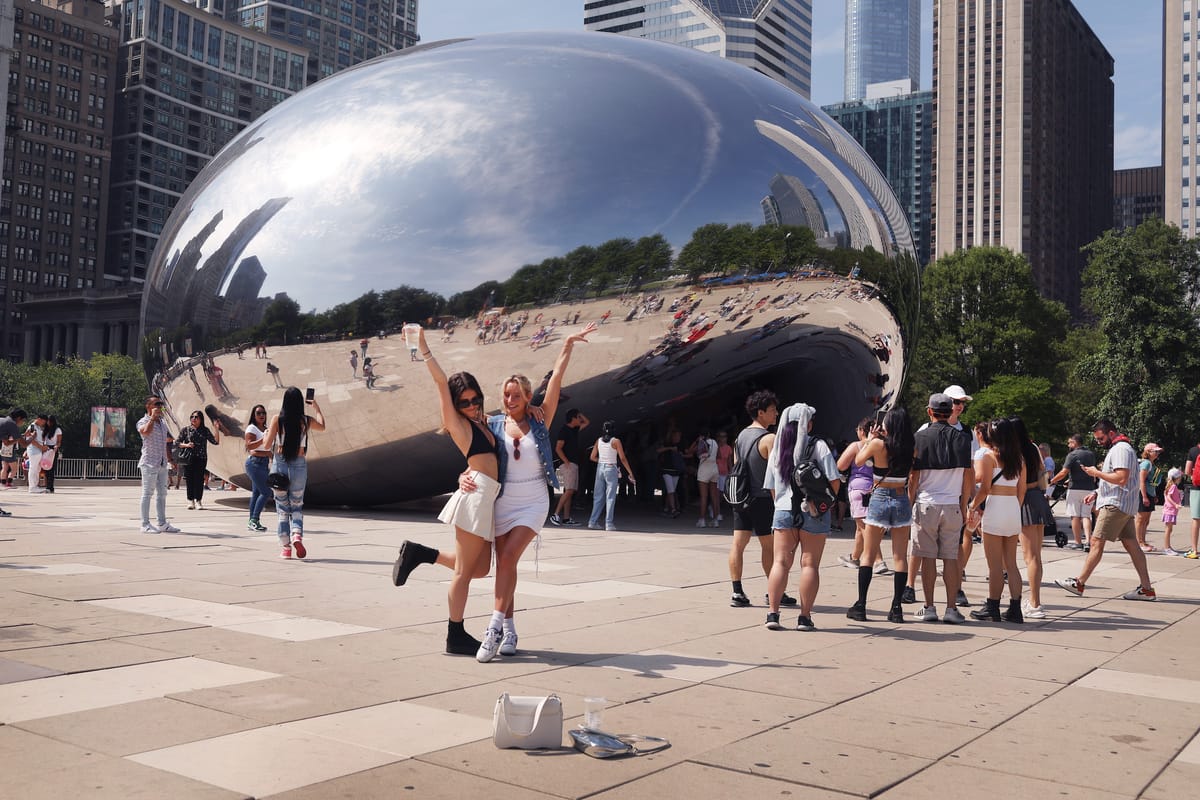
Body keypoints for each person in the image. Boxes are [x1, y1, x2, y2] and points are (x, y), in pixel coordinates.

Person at [456, 324, 595, 662]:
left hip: (533, 500)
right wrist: (464, 476)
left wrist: (566, 345)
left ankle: (492, 629)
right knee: (507, 567)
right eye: (506, 394)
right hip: (502, 501)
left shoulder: (541, 419)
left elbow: (558, 379)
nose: (510, 399)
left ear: (528, 397)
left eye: (516, 394)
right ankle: (511, 627)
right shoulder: (491, 425)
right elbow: (475, 456)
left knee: (507, 559)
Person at [391, 327, 503, 656]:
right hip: (475, 496)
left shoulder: (486, 423)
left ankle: (420, 554)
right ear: (455, 404)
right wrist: (424, 348)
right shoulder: (459, 424)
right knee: (463, 573)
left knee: (479, 569)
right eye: (463, 402)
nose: (470, 405)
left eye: (475, 399)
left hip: (486, 494)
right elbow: (441, 383)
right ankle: (455, 635)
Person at [1056, 420, 1157, 601]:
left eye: (1101, 438)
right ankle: (1147, 589)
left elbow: (1121, 478)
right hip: (1122, 504)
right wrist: (1096, 492)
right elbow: (1119, 479)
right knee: (1131, 545)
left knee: (1096, 542)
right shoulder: (1122, 448)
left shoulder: (1120, 449)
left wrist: (1096, 473)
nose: (1099, 442)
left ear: (1111, 433)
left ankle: (1079, 583)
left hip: (1115, 505)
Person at [762, 403, 839, 631]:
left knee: (780, 563)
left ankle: (773, 614)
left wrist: (781, 503)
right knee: (810, 564)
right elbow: (834, 480)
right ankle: (804, 618)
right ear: (809, 424)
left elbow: (771, 485)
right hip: (814, 511)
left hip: (784, 509)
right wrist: (825, 502)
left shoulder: (778, 448)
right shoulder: (818, 446)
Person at [908, 394, 973, 624]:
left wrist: (910, 500)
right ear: (951, 412)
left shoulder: (919, 438)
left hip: (926, 503)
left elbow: (914, 475)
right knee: (951, 557)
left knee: (926, 558)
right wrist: (964, 505)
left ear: (930, 412)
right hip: (952, 504)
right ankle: (952, 608)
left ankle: (929, 607)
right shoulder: (963, 439)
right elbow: (968, 476)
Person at [847, 406, 915, 623]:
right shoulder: (911, 446)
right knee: (900, 556)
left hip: (879, 495)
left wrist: (869, 439)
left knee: (868, 554)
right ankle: (896, 607)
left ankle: (861, 604)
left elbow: (858, 460)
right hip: (901, 495)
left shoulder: (878, 444)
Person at [729, 391, 795, 608]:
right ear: (760, 412)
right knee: (770, 547)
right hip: (762, 499)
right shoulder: (769, 439)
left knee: (738, 544)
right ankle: (774, 590)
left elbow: (737, 465)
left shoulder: (740, 436)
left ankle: (737, 592)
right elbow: (779, 472)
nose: (776, 413)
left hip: (741, 497)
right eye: (773, 410)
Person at [967, 419, 1027, 622]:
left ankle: (992, 605)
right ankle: (1015, 608)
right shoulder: (1019, 459)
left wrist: (972, 506)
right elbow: (1022, 490)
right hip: (1012, 508)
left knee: (994, 565)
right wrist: (1014, 509)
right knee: (1011, 563)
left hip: (995, 507)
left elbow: (984, 489)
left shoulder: (990, 457)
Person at [261, 387, 326, 559]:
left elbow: (267, 446)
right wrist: (317, 408)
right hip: (299, 465)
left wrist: (268, 433)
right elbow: (323, 427)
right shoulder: (305, 420)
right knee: (296, 505)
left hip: (280, 465)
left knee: (282, 508)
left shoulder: (277, 419)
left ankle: (286, 548)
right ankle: (297, 534)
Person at [836, 417, 887, 576]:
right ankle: (855, 557)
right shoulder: (880, 445)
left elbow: (841, 465)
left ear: (861, 430)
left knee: (865, 527)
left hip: (858, 488)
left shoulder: (856, 446)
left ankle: (878, 560)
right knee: (861, 525)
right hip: (876, 487)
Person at [1011, 417, 1050, 619]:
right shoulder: (1033, 447)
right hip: (1038, 500)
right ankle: (1035, 600)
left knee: (1029, 557)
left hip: (1024, 500)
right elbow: (1044, 474)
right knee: (1037, 555)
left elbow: (1019, 483)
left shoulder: (1015, 451)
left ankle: (1035, 604)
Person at [136, 397, 180, 533]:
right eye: (157, 404)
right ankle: (145, 524)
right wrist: (152, 418)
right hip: (149, 462)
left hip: (162, 463)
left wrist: (170, 460)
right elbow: (145, 432)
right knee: (147, 493)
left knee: (162, 494)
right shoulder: (143, 421)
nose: (160, 406)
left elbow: (166, 442)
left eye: (161, 404)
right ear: (148, 406)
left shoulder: (163, 423)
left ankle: (162, 523)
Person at [1050, 434, 1097, 549]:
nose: (1068, 445)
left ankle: (1078, 542)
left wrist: (1052, 481)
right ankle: (1088, 541)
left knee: (1075, 516)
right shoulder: (1090, 454)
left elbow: (1063, 472)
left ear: (1075, 443)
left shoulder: (1072, 455)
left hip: (1075, 488)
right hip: (1089, 488)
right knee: (1086, 516)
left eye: (1070, 442)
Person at [587, 421, 636, 531]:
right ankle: (608, 523)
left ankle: (592, 521)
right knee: (610, 497)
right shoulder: (616, 441)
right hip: (611, 468)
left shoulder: (598, 440)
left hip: (600, 468)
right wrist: (630, 472)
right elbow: (622, 458)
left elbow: (592, 457)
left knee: (598, 497)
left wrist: (602, 461)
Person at [550, 409, 589, 526]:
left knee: (569, 491)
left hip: (573, 463)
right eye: (578, 417)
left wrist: (580, 413)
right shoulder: (564, 430)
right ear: (573, 418)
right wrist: (566, 461)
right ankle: (555, 514)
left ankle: (566, 518)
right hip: (568, 464)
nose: (580, 419)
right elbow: (558, 448)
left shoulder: (574, 430)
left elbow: (587, 422)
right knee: (570, 490)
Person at [177, 410, 222, 510]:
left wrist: (217, 429)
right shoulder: (186, 430)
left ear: (201, 419)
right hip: (189, 458)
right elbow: (177, 442)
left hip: (201, 458)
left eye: (196, 417)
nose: (193, 419)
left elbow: (215, 442)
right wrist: (187, 445)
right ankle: (190, 500)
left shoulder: (205, 430)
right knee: (190, 480)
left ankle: (198, 501)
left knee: (199, 480)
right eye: (192, 417)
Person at [0, 408, 36, 515]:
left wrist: (22, 436)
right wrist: (32, 437)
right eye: (23, 421)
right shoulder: (11, 424)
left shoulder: (4, 421)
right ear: (19, 418)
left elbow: (6, 443)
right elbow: (24, 444)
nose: (22, 423)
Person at [244, 404, 272, 532]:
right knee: (266, 492)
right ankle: (254, 519)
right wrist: (263, 440)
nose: (261, 415)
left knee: (256, 493)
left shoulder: (266, 429)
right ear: (254, 416)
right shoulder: (252, 428)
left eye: (263, 413)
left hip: (264, 464)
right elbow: (250, 448)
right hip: (254, 464)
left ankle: (252, 522)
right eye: (258, 413)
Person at [1135, 443, 1163, 552]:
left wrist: (1153, 495)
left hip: (1150, 494)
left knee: (1146, 520)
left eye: (1158, 451)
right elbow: (1141, 480)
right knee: (1141, 519)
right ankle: (1139, 542)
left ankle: (1143, 541)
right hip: (1144, 494)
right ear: (1148, 452)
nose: (1157, 453)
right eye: (1155, 451)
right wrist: (1144, 496)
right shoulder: (1146, 464)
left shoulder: (1151, 464)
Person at [692, 428, 720, 527]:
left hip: (704, 469)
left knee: (704, 497)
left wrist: (697, 441)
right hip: (714, 468)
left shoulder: (701, 443)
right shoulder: (715, 443)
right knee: (714, 496)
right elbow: (718, 455)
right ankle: (716, 519)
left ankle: (702, 519)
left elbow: (690, 451)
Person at [657, 430, 685, 517]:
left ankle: (666, 508)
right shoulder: (667, 443)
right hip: (666, 470)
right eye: (676, 436)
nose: (677, 438)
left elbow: (688, 453)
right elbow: (658, 450)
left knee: (671, 491)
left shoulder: (681, 445)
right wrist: (669, 448)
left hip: (676, 471)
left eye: (679, 436)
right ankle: (673, 509)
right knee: (671, 490)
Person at [1162, 469, 1186, 556]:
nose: (1181, 478)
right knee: (1168, 530)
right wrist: (1175, 504)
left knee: (1169, 529)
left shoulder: (1172, 486)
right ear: (1177, 478)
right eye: (1180, 477)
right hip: (1170, 511)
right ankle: (1166, 548)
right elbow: (1168, 496)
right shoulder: (1173, 486)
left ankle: (1168, 547)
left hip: (1170, 510)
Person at [25, 413, 47, 494]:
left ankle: (35, 486)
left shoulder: (38, 427)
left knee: (37, 469)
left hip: (38, 450)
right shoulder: (32, 426)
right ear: (39, 419)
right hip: (34, 450)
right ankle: (32, 487)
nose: (43, 424)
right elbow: (31, 439)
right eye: (43, 422)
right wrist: (41, 447)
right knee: (33, 468)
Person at [714, 430, 733, 524]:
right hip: (715, 472)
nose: (723, 438)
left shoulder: (728, 448)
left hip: (724, 473)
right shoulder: (715, 447)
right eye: (721, 436)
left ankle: (713, 507)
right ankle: (717, 513)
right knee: (717, 493)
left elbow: (729, 461)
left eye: (724, 436)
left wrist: (731, 472)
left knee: (722, 493)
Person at [40, 415, 62, 493]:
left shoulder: (58, 430)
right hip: (45, 448)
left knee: (51, 469)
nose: (48, 423)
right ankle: (47, 486)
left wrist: (56, 446)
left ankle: (50, 487)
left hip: (53, 449)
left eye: (49, 421)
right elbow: (42, 439)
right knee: (45, 468)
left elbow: (59, 441)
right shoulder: (45, 429)